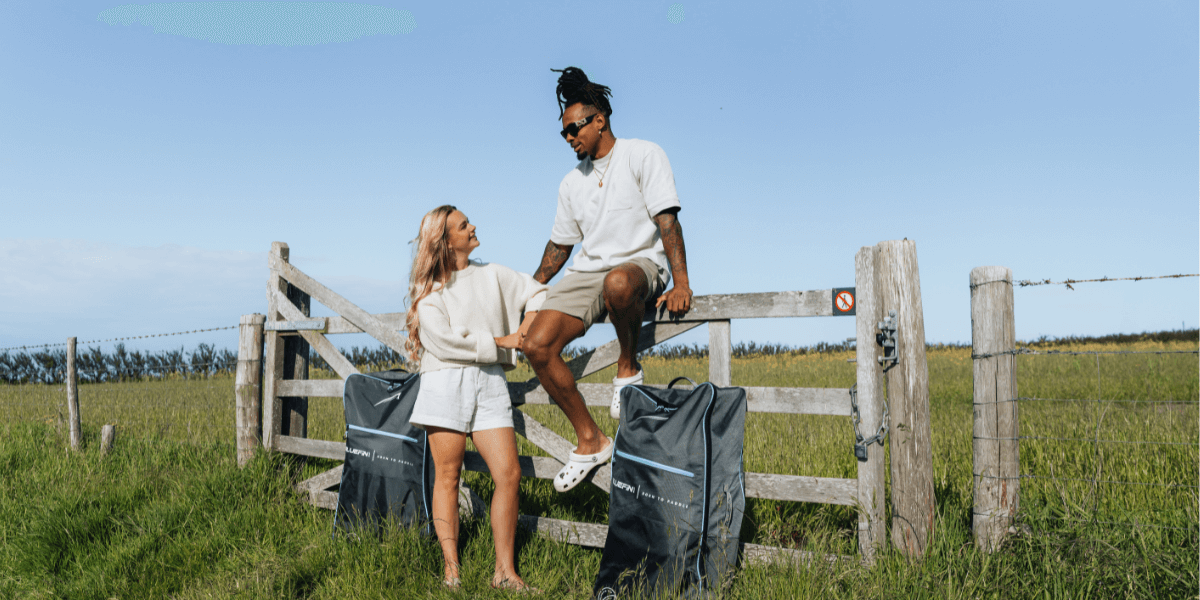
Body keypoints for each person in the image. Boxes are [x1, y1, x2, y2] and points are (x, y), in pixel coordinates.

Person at [520, 67, 694, 493]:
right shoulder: (570, 183)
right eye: (562, 133)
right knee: (536, 344)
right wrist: (527, 290)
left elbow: (666, 220)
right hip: (588, 271)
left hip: (639, 267)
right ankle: (591, 439)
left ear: (599, 120)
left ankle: (627, 368)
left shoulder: (642, 154)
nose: (568, 139)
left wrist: (682, 282)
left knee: (618, 283)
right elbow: (561, 248)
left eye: (574, 128)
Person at [405, 205, 546, 592]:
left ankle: (505, 572)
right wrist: (502, 342)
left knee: (509, 474)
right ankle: (452, 570)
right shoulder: (430, 293)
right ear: (445, 242)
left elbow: (539, 291)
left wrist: (526, 333)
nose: (473, 227)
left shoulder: (493, 274)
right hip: (444, 383)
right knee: (448, 477)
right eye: (464, 225)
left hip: (489, 382)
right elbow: (443, 341)